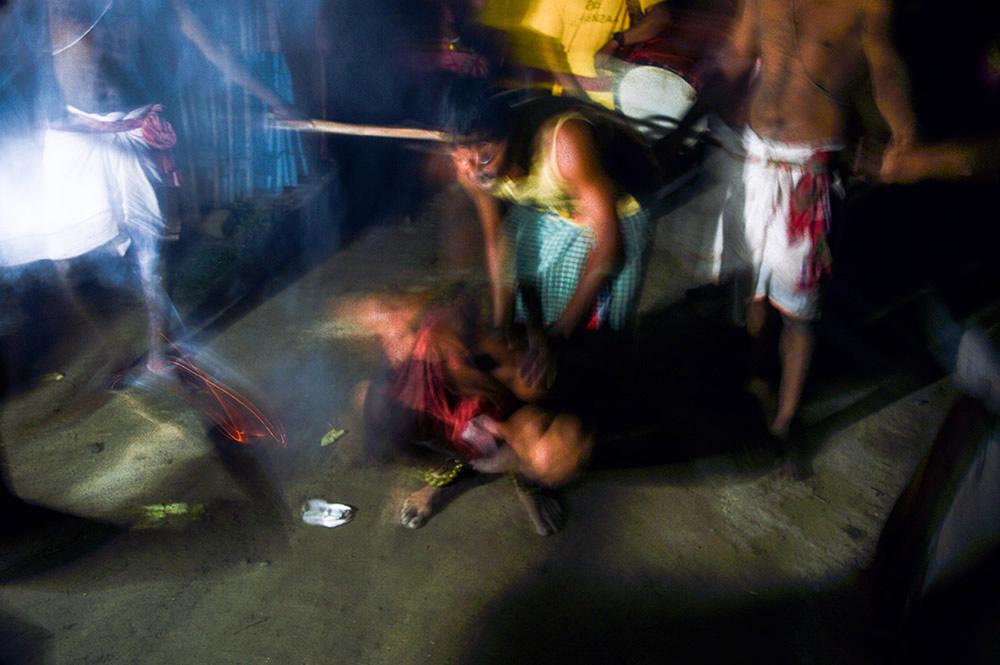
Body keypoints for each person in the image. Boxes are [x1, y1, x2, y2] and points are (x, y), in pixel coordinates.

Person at [666, 0, 919, 472]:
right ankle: (757, 381)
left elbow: (885, 66)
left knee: (799, 312)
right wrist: (686, 125)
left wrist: (903, 129)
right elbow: (738, 60)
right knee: (750, 293)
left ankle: (784, 424)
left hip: (806, 174)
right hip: (752, 160)